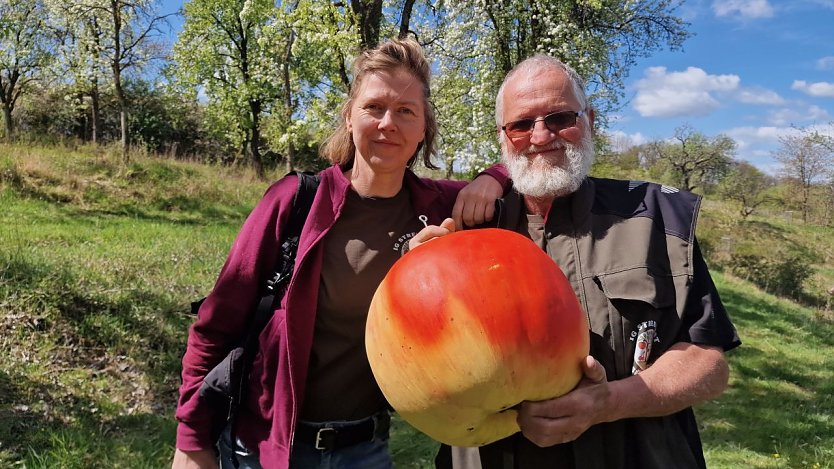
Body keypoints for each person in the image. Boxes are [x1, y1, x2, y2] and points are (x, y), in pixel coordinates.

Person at [171, 38, 507, 469]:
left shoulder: (439, 207)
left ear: (425, 128)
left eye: (406, 111)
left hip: (365, 446)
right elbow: (216, 323)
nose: (389, 123)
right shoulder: (294, 202)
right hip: (267, 444)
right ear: (349, 117)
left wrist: (491, 178)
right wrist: (191, 440)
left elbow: (529, 172)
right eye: (374, 107)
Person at [424, 55, 741, 469]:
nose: (540, 136)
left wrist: (609, 402)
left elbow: (709, 363)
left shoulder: (656, 217)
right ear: (503, 137)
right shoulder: (469, 230)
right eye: (521, 124)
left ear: (589, 119)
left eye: (559, 118)